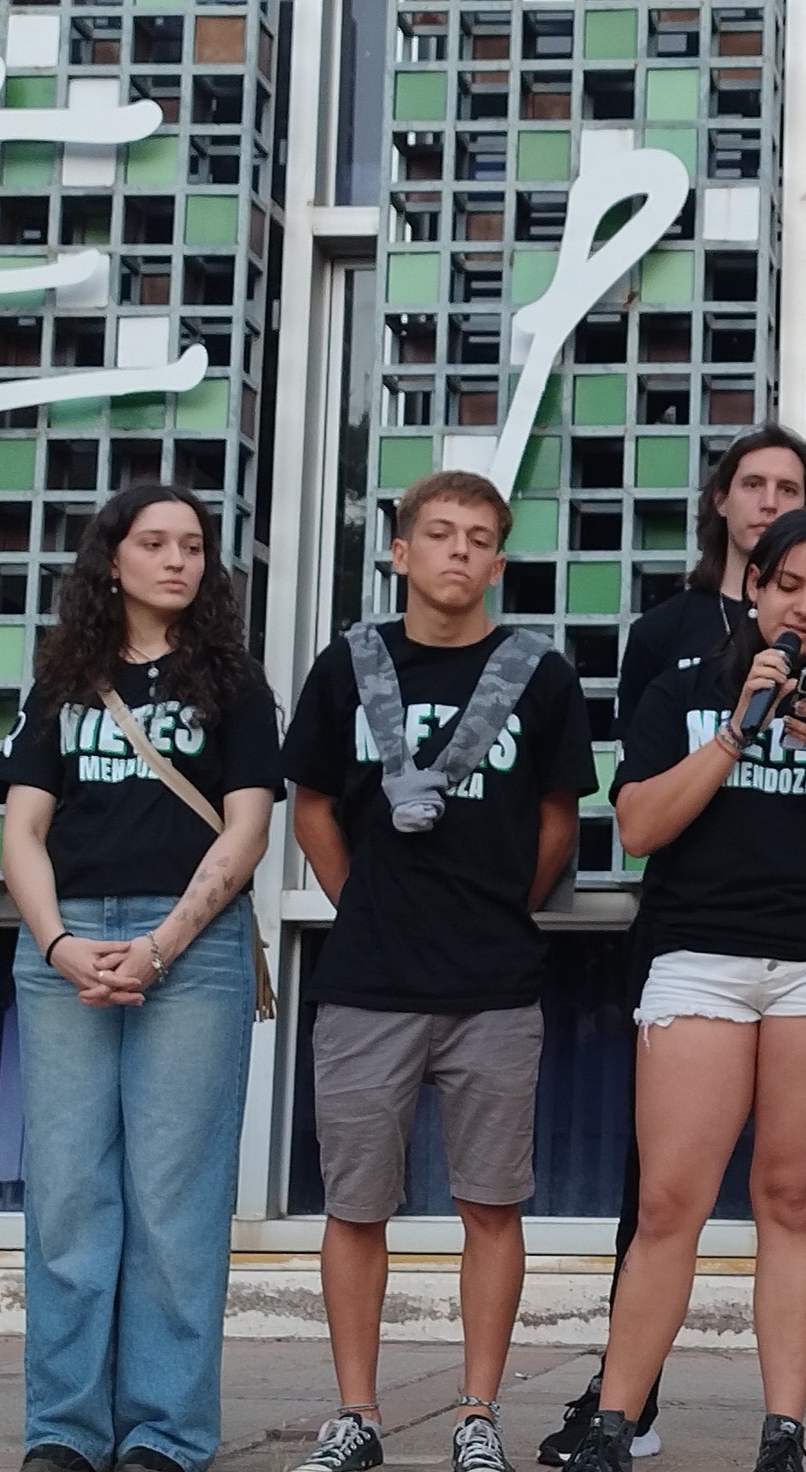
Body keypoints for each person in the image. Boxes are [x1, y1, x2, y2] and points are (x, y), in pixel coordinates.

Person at [542, 425, 806, 1472]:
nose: (800, 605)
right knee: (667, 1198)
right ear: (752, 586)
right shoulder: (680, 688)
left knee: (792, 1199)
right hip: (699, 957)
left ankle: (784, 1428)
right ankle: (616, 1419)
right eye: (784, 584)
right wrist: (733, 731)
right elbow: (637, 826)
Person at [282, 470, 597, 1472]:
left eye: (478, 538)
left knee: (490, 1204)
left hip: (493, 984)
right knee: (354, 1204)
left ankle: (475, 1409)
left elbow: (557, 821)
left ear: (499, 562)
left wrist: (497, 902)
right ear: (399, 551)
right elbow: (312, 809)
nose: (458, 550)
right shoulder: (347, 665)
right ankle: (357, 1411)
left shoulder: (538, 676)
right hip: (368, 980)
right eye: (439, 533)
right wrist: (366, 902)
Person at [0, 484, 283, 1472]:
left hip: (190, 952)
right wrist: (56, 938)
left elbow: (247, 827)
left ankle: (163, 1430)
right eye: (154, 541)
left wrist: (161, 942)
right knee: (70, 1197)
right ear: (109, 558)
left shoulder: (235, 681)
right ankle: (64, 1430)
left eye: (193, 545)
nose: (176, 559)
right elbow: (20, 827)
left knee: (175, 1199)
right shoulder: (62, 677)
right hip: (66, 946)